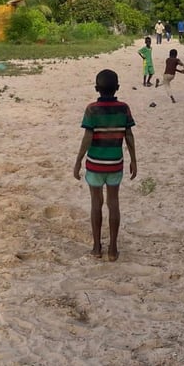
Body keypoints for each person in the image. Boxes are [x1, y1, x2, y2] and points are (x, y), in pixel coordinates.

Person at [73, 69, 136, 261]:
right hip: (115, 164)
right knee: (113, 203)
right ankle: (113, 248)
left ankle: (96, 247)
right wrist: (134, 159)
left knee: (96, 203)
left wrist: (78, 161)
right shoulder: (124, 108)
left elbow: (88, 136)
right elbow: (129, 135)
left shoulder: (91, 109)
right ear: (117, 88)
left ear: (96, 89)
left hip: (95, 164)